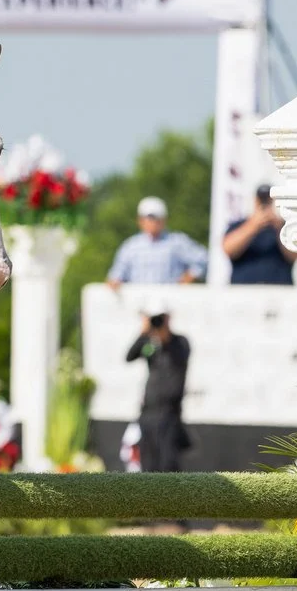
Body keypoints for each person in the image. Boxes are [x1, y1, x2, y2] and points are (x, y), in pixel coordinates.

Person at [120, 312, 192, 473]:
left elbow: (177, 354)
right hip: (148, 412)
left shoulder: (180, 342)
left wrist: (163, 333)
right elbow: (129, 356)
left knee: (168, 463)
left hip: (169, 413)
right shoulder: (150, 343)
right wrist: (143, 332)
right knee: (148, 463)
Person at [104, 196, 207, 290]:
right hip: (139, 305)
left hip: (170, 305)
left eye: (156, 219)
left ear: (164, 220)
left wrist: (189, 276)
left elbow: (203, 259)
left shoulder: (177, 242)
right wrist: (114, 282)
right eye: (149, 218)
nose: (153, 223)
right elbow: (116, 275)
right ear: (140, 220)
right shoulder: (130, 246)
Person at [221, 182, 297, 286]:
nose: (264, 203)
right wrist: (253, 226)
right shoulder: (239, 225)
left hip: (279, 293)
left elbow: (296, 254)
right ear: (255, 200)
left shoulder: (284, 227)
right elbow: (227, 249)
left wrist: (278, 227)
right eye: (262, 199)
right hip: (243, 293)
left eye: (267, 200)